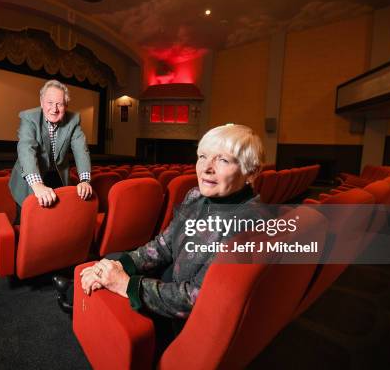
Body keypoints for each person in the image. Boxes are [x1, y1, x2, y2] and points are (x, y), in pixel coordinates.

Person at [54, 124, 264, 333]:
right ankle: (76, 292)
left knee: (113, 274)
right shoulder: (196, 196)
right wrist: (117, 267)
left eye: (223, 160)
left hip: (186, 317)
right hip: (173, 273)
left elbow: (195, 298)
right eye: (202, 156)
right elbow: (163, 245)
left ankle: (76, 297)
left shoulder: (246, 227)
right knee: (114, 258)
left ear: (251, 173)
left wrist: (126, 284)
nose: (206, 168)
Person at [9, 80, 93, 210]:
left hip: (57, 175)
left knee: (56, 217)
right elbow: (26, 149)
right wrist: (37, 184)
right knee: (27, 217)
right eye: (50, 103)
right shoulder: (29, 117)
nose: (54, 109)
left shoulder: (74, 119)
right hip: (30, 177)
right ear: (42, 102)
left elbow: (81, 150)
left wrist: (84, 181)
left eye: (59, 104)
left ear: (66, 105)